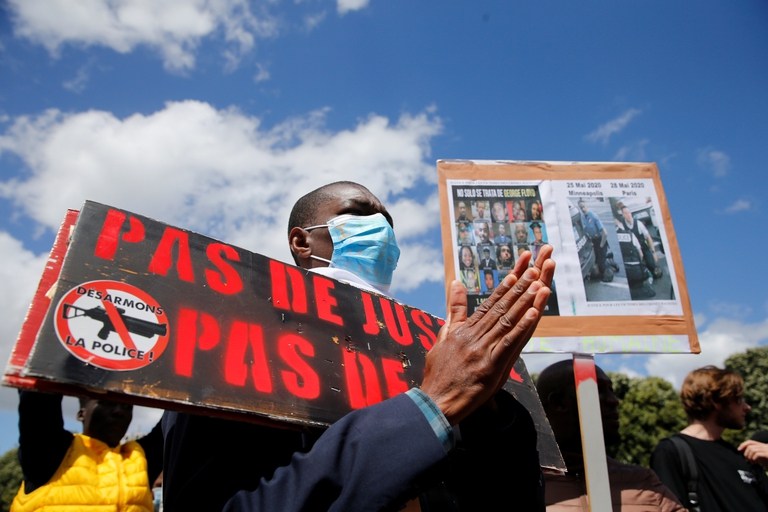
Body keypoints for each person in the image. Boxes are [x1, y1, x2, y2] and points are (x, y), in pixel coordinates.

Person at [162, 181, 555, 512]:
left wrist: (491, 418)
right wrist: (427, 411)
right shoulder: (236, 337)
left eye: (387, 221)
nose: (381, 226)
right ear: (302, 241)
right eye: (361, 212)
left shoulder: (432, 350)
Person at [537, 361, 685, 512]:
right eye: (597, 390)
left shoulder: (644, 483)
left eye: (611, 390)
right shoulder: (518, 488)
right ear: (559, 403)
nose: (614, 401)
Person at [11, 391, 162, 511]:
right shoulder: (53, 450)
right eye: (106, 403)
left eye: (128, 407)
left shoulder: (138, 458)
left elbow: (179, 417)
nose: (120, 412)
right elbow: (39, 397)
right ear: (81, 413)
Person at [651, 366, 768, 511]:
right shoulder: (671, 451)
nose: (747, 407)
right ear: (716, 401)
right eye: (738, 399)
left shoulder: (744, 455)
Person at [620, 205, 661, 278]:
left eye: (628, 212)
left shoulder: (638, 224)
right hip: (633, 251)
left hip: (643, 248)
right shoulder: (622, 226)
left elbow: (648, 237)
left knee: (653, 269)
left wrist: (653, 253)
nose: (628, 215)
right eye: (625, 213)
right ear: (623, 215)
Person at [578, 199, 611, 282]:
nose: (583, 209)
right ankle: (607, 258)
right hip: (593, 242)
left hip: (600, 241)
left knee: (602, 266)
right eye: (581, 207)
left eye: (584, 207)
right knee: (595, 264)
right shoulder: (582, 218)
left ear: (586, 206)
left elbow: (605, 233)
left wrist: (601, 245)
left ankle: (611, 263)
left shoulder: (594, 216)